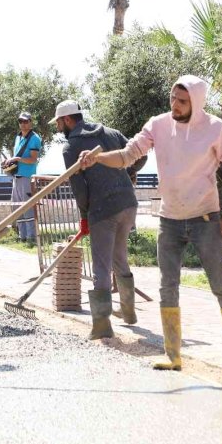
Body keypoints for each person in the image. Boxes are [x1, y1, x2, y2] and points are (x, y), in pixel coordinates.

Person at [81, 75, 222, 372]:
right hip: (169, 220)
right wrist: (98, 159)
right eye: (173, 98)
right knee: (167, 287)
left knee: (220, 285)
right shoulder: (157, 124)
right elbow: (128, 155)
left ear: (196, 103)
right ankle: (173, 355)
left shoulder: (216, 130)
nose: (175, 105)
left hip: (205, 218)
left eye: (182, 101)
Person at [53, 100, 139, 339]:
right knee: (119, 256)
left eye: (59, 123)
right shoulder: (110, 133)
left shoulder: (71, 147)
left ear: (68, 119)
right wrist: (128, 174)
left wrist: (84, 216)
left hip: (103, 209)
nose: (59, 127)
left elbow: (79, 187)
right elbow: (138, 156)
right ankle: (129, 313)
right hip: (128, 204)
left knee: (101, 265)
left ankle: (101, 325)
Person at [4, 111, 42, 243]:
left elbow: (33, 159)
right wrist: (10, 161)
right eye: (21, 121)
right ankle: (22, 236)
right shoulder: (18, 137)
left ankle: (32, 237)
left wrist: (17, 158)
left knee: (28, 207)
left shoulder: (35, 138)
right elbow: (17, 157)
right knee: (17, 207)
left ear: (31, 122)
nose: (23, 124)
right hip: (16, 177)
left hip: (27, 177)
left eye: (26, 121)